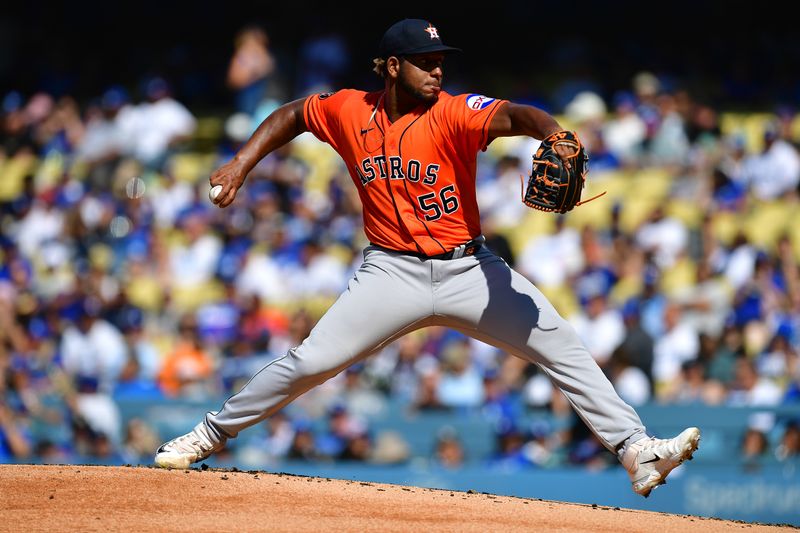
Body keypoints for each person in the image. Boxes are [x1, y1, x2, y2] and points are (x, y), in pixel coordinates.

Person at [154, 18, 700, 498]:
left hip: (470, 270)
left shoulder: (455, 114)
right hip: (390, 271)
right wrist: (241, 163)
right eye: (425, 63)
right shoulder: (348, 110)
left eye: (440, 62)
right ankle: (208, 434)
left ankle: (636, 451)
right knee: (310, 362)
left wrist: (552, 132)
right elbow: (295, 113)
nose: (438, 72)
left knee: (560, 344)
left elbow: (515, 114)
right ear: (392, 67)